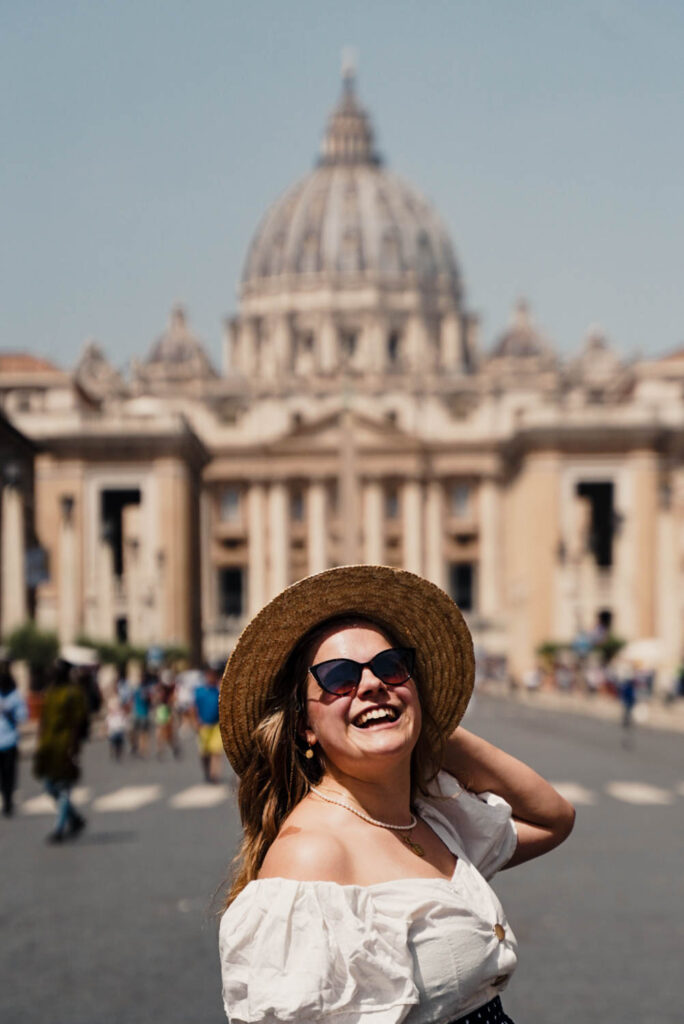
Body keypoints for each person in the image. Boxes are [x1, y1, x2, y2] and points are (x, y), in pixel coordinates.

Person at [217, 565, 575, 1024]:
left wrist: (425, 726)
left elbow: (554, 818)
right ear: (305, 726)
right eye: (338, 677)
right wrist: (396, 715)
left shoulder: (430, 820)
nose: (371, 684)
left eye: (391, 667)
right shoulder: (311, 855)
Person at [33, 659, 89, 843]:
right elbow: (43, 720)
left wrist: (74, 747)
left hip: (65, 745)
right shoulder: (50, 692)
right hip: (49, 746)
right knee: (49, 786)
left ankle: (59, 829)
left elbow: (79, 722)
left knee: (64, 788)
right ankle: (74, 818)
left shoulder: (74, 693)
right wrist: (39, 741)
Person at [0, 656, 27, 817]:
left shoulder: (15, 696)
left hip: (9, 741)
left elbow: (23, 716)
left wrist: (10, 712)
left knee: (9, 773)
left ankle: (8, 800)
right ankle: (4, 797)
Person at [193, 666, 222, 783]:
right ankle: (207, 772)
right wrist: (195, 721)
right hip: (203, 725)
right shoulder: (199, 692)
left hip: (216, 725)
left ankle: (214, 774)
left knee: (216, 751)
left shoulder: (218, 691)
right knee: (205, 753)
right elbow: (193, 708)